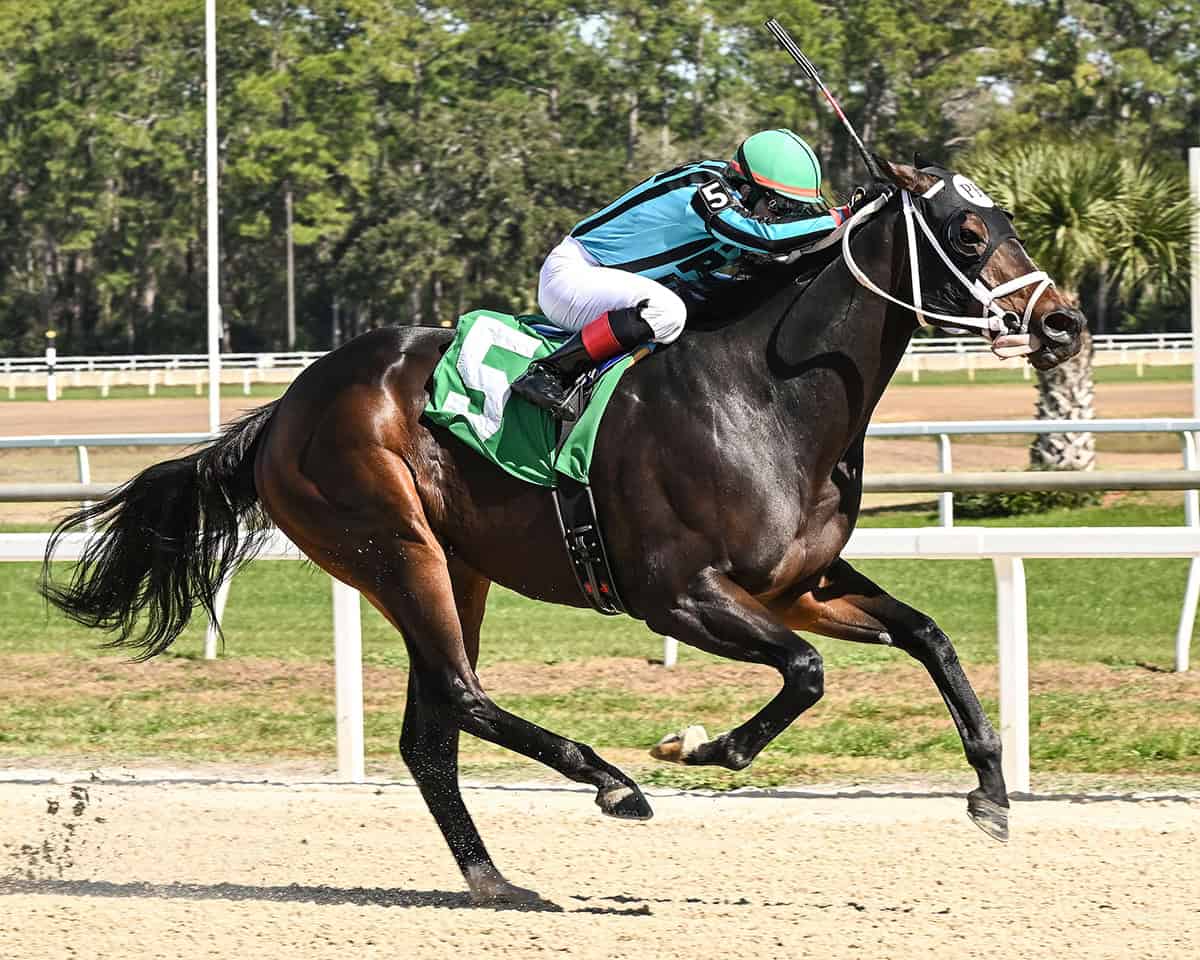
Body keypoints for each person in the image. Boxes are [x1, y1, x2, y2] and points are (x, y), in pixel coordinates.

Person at [511, 128, 887, 420]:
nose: (782, 218)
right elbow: (763, 236)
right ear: (749, 188)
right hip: (573, 276)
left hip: (623, 289)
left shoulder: (744, 202)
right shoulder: (704, 186)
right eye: (780, 207)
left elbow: (791, 251)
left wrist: (864, 213)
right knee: (667, 312)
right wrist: (842, 214)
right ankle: (551, 372)